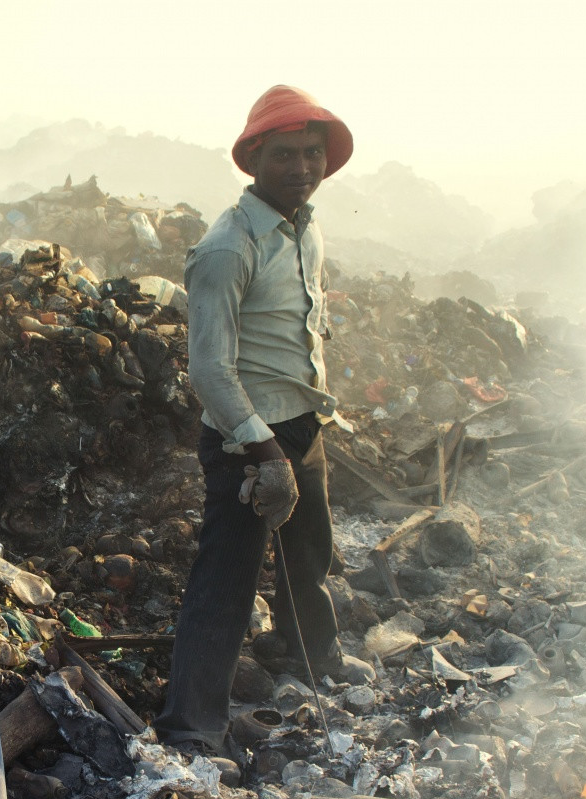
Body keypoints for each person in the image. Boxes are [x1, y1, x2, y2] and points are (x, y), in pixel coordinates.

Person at [153, 85, 373, 756]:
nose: (302, 167)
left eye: (312, 154)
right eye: (285, 156)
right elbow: (210, 370)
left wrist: (307, 423)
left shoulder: (305, 228)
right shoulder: (228, 247)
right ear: (253, 159)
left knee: (309, 553)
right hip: (249, 438)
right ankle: (191, 727)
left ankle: (306, 651)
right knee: (228, 580)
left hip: (302, 423)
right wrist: (265, 452)